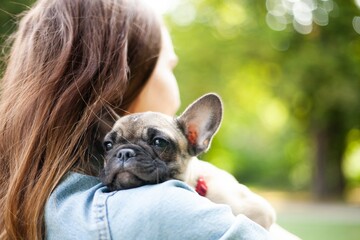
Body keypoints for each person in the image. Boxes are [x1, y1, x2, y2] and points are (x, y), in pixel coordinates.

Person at [0, 0, 271, 239]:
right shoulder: (167, 210)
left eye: (157, 142)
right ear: (125, 76)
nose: (125, 156)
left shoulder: (41, 198)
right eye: (170, 66)